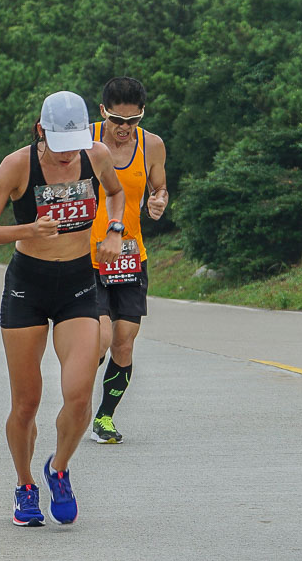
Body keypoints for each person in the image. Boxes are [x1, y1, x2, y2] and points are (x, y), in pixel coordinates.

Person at [0, 91, 125, 528]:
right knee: (26, 403)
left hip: (76, 283)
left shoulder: (97, 156)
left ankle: (58, 469)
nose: (67, 154)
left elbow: (115, 194)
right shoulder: (17, 165)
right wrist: (29, 228)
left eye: (73, 144)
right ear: (40, 131)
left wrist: (114, 229)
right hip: (27, 286)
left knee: (78, 399)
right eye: (58, 145)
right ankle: (24, 485)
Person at [86, 77, 168, 445]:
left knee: (123, 341)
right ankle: (78, 395)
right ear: (102, 111)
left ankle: (104, 416)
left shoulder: (152, 146)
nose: (123, 129)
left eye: (132, 122)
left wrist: (158, 202)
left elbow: (159, 188)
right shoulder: (83, 141)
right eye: (117, 121)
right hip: (86, 257)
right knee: (99, 338)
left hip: (131, 256)